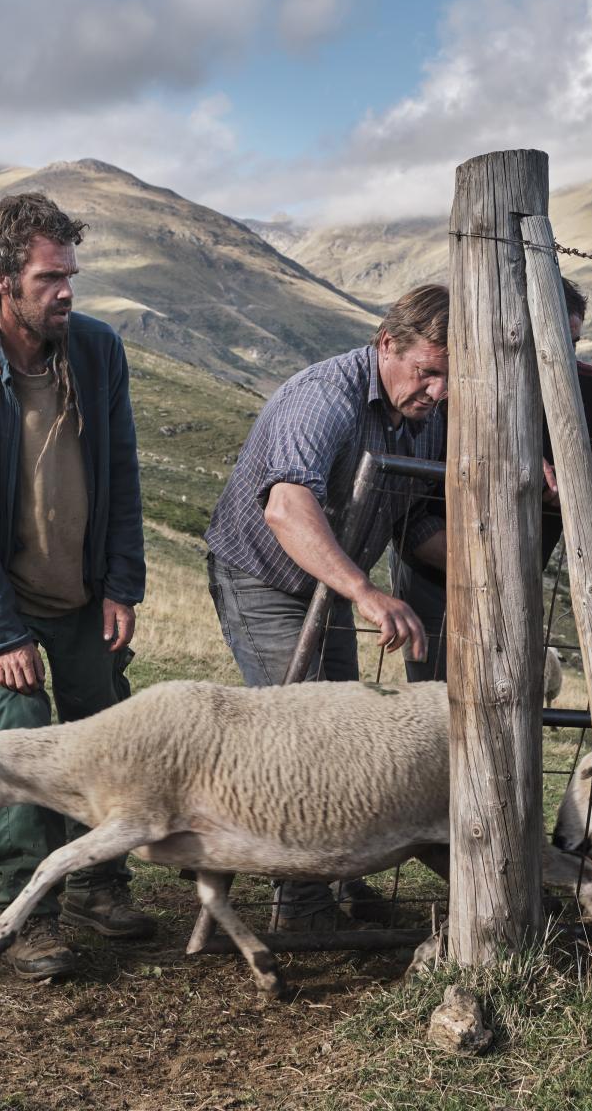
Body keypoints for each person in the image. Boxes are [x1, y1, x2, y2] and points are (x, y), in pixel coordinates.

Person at [0, 192, 151, 978]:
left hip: (85, 591)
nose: (67, 291)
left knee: (104, 730)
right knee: (17, 734)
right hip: (2, 601)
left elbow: (120, 473)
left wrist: (122, 582)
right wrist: (5, 634)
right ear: (1, 280)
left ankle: (98, 881)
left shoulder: (96, 352)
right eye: (50, 278)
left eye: (71, 275)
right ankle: (27, 914)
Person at [204, 283, 450, 929]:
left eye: (450, 377)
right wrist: (363, 590)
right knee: (308, 742)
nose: (440, 391)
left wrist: (494, 571)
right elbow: (286, 506)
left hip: (329, 585)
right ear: (387, 344)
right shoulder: (325, 397)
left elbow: (417, 522)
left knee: (347, 740)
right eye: (428, 372)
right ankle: (300, 905)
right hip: (262, 576)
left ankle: (335, 881)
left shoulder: (429, 418)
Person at [391, 275, 592, 682]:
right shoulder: (455, 387)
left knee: (512, 691)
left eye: (573, 342)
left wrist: (571, 477)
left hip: (522, 578)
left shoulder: (590, 387)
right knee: (438, 700)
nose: (563, 354)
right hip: (436, 573)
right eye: (554, 339)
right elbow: (410, 498)